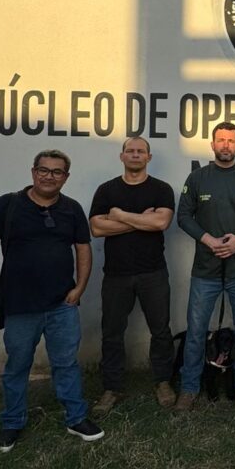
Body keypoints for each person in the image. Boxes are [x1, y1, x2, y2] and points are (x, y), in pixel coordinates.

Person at [0, 150, 104, 452]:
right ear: (33, 172)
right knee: (17, 365)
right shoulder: (8, 204)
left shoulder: (72, 209)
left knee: (66, 363)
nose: (49, 176)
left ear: (65, 177)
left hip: (62, 304)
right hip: (19, 305)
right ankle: (12, 422)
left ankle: (76, 418)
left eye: (57, 172)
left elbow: (83, 248)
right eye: (44, 170)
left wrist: (80, 288)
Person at [176, 123, 235, 412]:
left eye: (231, 140)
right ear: (212, 144)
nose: (226, 145)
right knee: (196, 332)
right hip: (205, 271)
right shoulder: (198, 178)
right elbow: (183, 216)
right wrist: (208, 240)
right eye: (221, 140)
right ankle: (189, 388)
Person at [89, 137, 176, 415]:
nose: (135, 155)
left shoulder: (161, 189)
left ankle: (163, 381)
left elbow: (161, 222)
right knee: (112, 332)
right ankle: (112, 387)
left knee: (160, 330)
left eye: (141, 151)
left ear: (149, 157)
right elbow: (97, 228)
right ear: (122, 156)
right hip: (116, 274)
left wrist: (119, 215)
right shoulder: (107, 190)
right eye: (130, 151)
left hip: (153, 272)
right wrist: (139, 220)